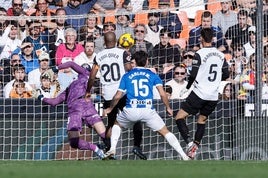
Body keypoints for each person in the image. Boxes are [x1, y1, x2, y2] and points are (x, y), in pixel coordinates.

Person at [103, 51, 189, 161]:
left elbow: (118, 95)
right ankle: (183, 155)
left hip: (131, 109)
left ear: (134, 62)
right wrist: (168, 107)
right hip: (147, 110)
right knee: (165, 132)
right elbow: (162, 93)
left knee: (116, 124)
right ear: (146, 61)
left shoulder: (127, 76)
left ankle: (113, 149)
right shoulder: (153, 75)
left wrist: (110, 108)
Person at [86, 32, 146, 160]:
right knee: (136, 119)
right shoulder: (122, 53)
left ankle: (108, 150)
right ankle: (137, 146)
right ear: (116, 41)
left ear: (104, 42)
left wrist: (88, 91)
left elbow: (92, 76)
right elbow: (129, 69)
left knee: (111, 123)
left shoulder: (99, 56)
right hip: (122, 92)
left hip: (108, 95)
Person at [174, 28, 229, 160]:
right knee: (202, 120)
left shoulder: (199, 53)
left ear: (202, 39)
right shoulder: (220, 55)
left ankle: (189, 143)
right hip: (213, 96)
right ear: (213, 39)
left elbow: (193, 74)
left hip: (200, 93)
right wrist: (215, 81)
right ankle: (195, 148)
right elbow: (226, 74)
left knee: (179, 117)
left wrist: (187, 87)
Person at [38, 61, 107, 159]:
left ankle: (108, 153)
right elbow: (55, 102)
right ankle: (96, 148)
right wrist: (41, 98)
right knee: (75, 142)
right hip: (80, 109)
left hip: (84, 107)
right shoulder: (69, 87)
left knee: (104, 136)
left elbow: (71, 64)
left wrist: (55, 69)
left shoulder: (85, 74)